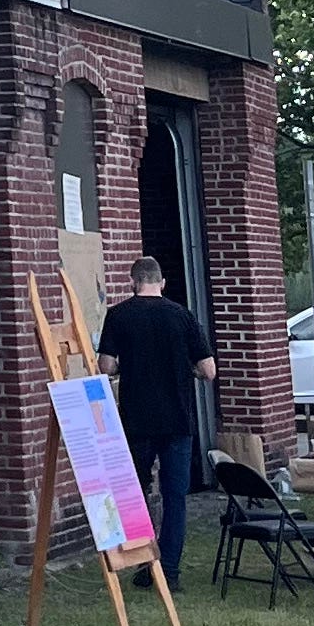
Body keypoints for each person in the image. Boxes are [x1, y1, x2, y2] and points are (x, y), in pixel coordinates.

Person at [96, 248, 212, 591]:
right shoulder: (182, 315)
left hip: (137, 420)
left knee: (136, 493)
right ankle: (169, 571)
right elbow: (208, 370)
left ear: (133, 282)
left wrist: (126, 365)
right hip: (177, 420)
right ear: (162, 282)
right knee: (175, 496)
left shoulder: (118, 315)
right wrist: (187, 370)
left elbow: (106, 366)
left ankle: (145, 562)